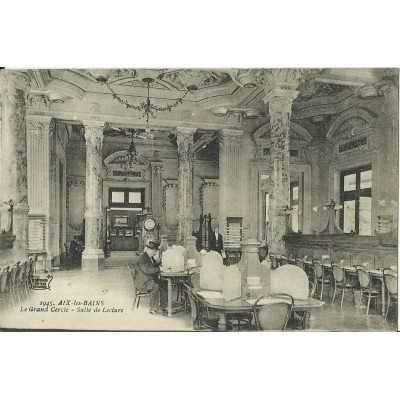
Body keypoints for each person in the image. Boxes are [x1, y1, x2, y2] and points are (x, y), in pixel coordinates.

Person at [134, 241, 167, 315]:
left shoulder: (148, 256)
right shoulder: (143, 258)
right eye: (154, 251)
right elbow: (147, 270)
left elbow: (152, 264)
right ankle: (153, 308)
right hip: (143, 282)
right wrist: (159, 269)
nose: (155, 253)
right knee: (156, 286)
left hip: (148, 279)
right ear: (149, 250)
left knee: (164, 283)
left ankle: (164, 306)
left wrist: (159, 263)